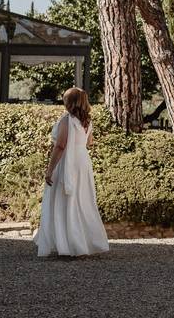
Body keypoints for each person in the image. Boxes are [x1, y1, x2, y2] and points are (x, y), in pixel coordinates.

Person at [34, 87, 109, 258]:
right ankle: (80, 243)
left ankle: (65, 244)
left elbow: (60, 146)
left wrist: (50, 170)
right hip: (82, 162)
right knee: (81, 200)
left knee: (62, 201)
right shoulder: (87, 121)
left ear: (70, 102)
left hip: (67, 161)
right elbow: (89, 142)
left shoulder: (67, 120)